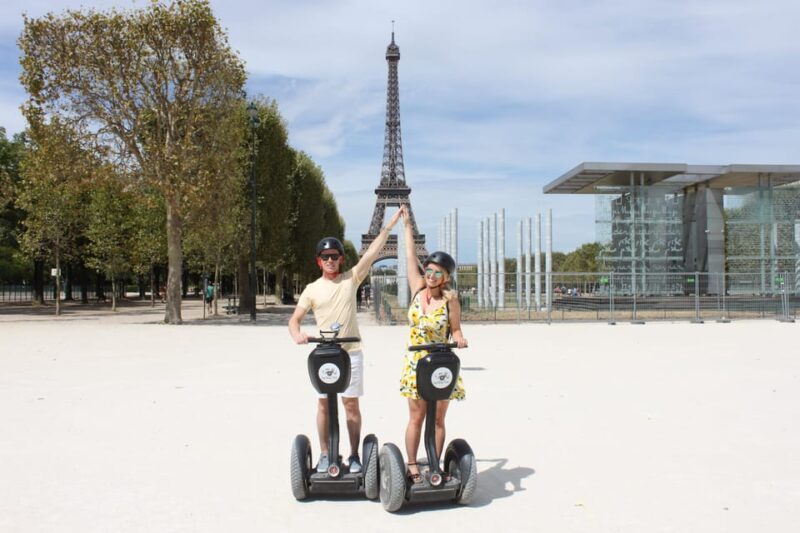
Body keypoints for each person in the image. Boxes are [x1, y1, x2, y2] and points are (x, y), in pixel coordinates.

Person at [288, 209, 403, 474]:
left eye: (334, 256)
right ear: (319, 261)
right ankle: (326, 453)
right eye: (325, 257)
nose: (330, 260)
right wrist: (297, 334)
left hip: (350, 351)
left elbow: (373, 253)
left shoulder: (351, 279)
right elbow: (294, 320)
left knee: (351, 404)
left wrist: (390, 225)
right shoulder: (311, 289)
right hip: (325, 354)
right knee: (324, 403)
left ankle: (353, 454)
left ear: (341, 259)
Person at [398, 205, 468, 484]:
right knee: (416, 417)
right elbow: (410, 254)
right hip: (415, 361)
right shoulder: (417, 287)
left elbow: (457, 328)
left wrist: (460, 338)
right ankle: (412, 464)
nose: (431, 275)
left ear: (446, 278)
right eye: (429, 270)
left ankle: (435, 465)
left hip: (440, 362)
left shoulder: (451, 300)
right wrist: (406, 227)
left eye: (438, 273)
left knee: (438, 419)